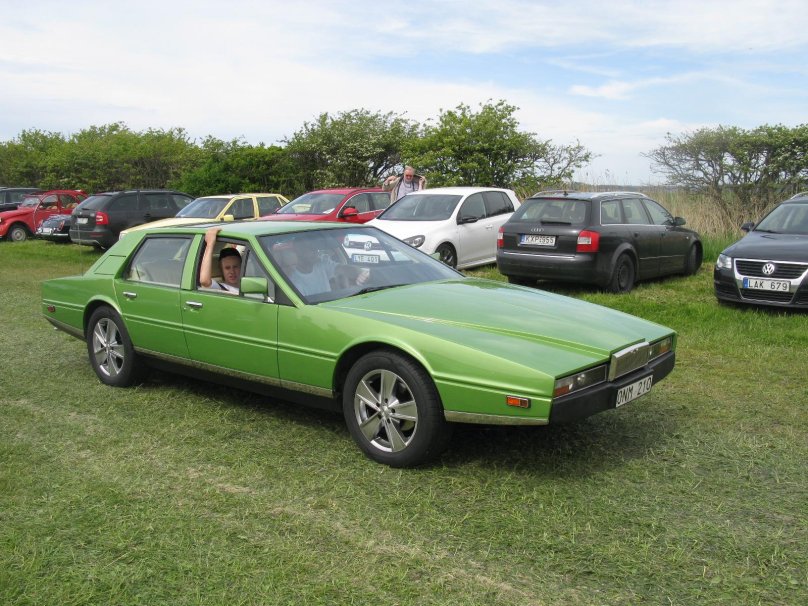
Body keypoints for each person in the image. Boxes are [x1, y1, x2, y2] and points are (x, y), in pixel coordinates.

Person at [199, 226, 241, 294]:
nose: (232, 271)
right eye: (227, 268)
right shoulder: (221, 288)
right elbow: (205, 281)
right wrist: (210, 244)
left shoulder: (251, 286)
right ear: (221, 269)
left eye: (235, 267)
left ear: (242, 267)